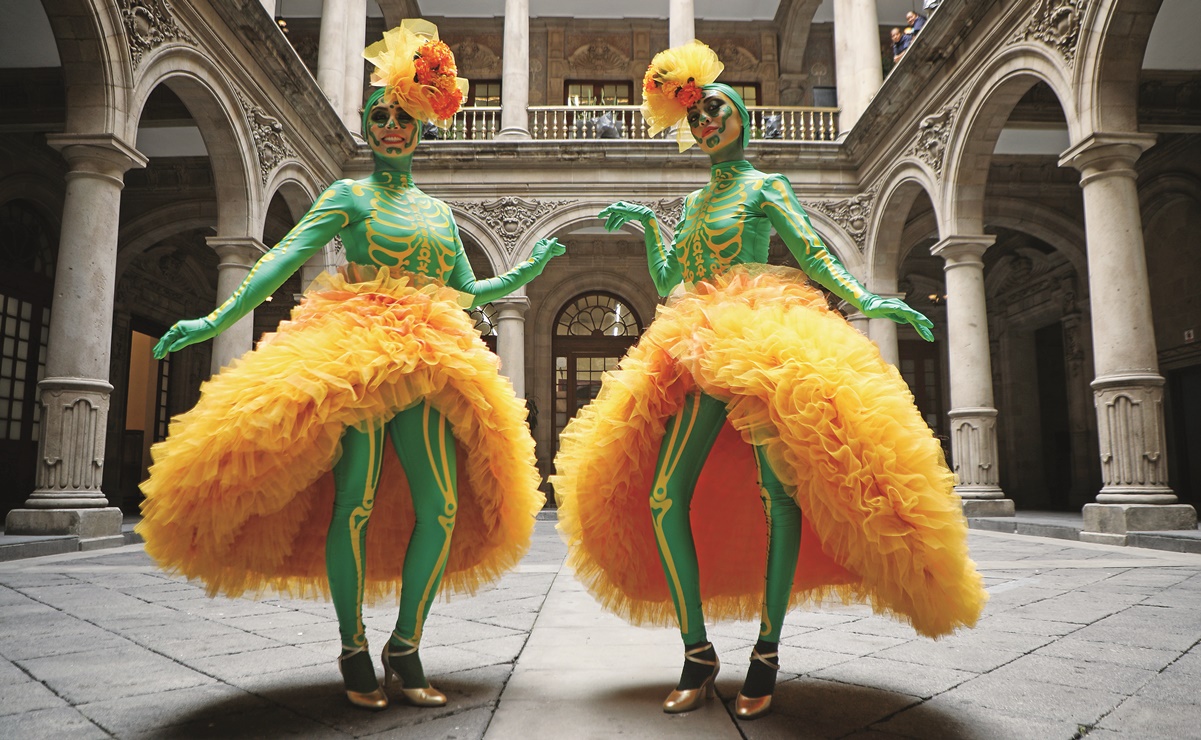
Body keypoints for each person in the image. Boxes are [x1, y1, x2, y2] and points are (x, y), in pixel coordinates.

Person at [553, 41, 985, 721]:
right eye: (696, 118)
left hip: (760, 335)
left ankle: (768, 649)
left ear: (741, 118)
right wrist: (644, 228)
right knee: (665, 496)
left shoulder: (764, 187)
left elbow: (811, 252)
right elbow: (672, 283)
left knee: (775, 494)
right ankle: (696, 651)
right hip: (694, 342)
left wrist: (869, 300)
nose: (706, 124)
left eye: (716, 110)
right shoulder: (695, 203)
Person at [138, 20, 563, 711]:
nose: (390, 127)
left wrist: (525, 269)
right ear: (368, 127)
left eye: (401, 117)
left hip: (429, 353)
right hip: (357, 349)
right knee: (356, 501)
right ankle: (351, 645)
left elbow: (462, 290)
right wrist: (219, 318)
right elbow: (279, 256)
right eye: (378, 117)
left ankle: (406, 643)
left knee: (442, 504)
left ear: (422, 125)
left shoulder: (438, 213)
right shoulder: (348, 196)